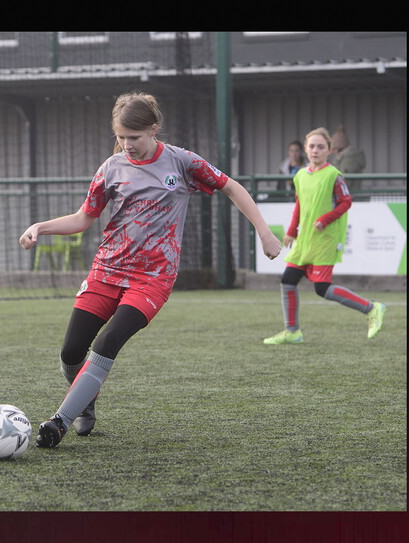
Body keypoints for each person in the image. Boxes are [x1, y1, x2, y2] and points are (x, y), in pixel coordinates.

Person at [18, 92, 282, 449]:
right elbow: (84, 218)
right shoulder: (111, 168)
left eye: (134, 137)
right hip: (106, 270)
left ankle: (60, 421)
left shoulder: (182, 162)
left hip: (152, 279)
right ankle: (85, 401)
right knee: (70, 352)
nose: (127, 144)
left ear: (153, 129)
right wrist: (39, 226)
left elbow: (232, 187)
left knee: (108, 341)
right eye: (122, 137)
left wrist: (264, 232)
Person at [262, 127, 385, 345]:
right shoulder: (300, 175)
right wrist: (292, 231)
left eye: (321, 146)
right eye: (311, 146)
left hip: (325, 240)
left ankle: (372, 308)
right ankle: (292, 331)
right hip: (305, 239)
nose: (315, 150)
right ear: (306, 149)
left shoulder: (334, 175)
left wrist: (325, 219)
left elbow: (346, 202)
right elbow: (300, 204)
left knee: (321, 288)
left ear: (329, 150)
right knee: (288, 280)